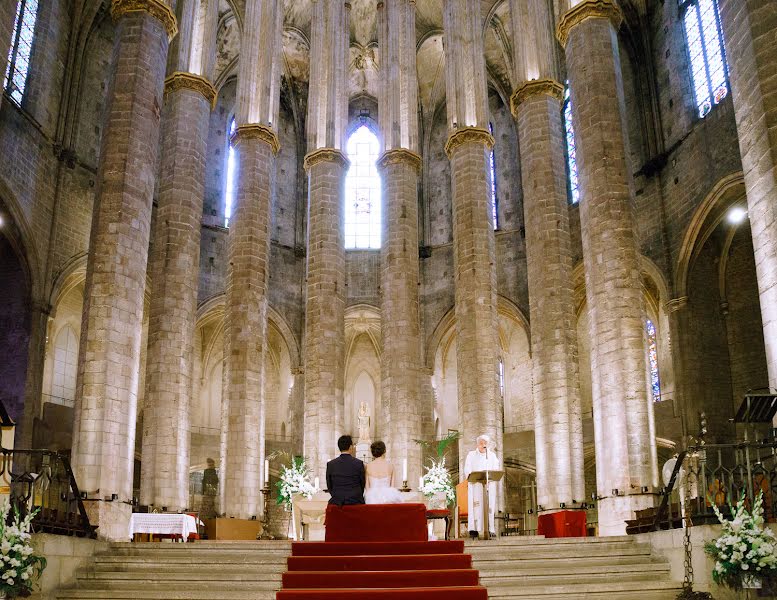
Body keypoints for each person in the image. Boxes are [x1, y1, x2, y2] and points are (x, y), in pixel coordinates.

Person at [463, 433, 500, 538]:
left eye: (485, 443)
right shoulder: (471, 454)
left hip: (488, 485)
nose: (483, 445)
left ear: (487, 444)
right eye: (481, 443)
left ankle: (490, 529)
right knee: (476, 507)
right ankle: (473, 529)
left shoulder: (491, 456)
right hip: (476, 486)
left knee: (489, 507)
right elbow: (467, 468)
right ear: (477, 444)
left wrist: (491, 477)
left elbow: (496, 468)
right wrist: (470, 476)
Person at [326, 434, 366, 506]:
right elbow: (362, 483)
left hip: (337, 501)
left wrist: (337, 496)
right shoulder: (359, 463)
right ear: (350, 447)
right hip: (355, 500)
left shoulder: (331, 464)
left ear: (339, 447)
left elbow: (329, 485)